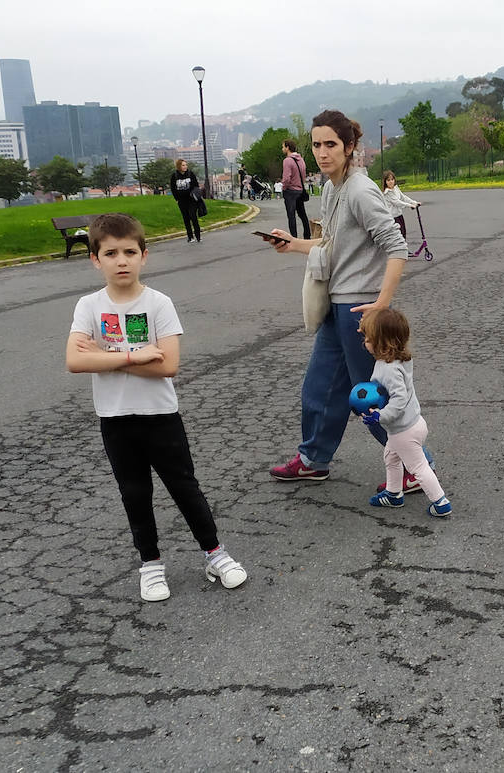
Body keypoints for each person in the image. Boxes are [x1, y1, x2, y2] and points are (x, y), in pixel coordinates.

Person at [65, 213, 248, 602]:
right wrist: (132, 356)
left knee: (185, 487)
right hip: (115, 420)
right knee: (134, 493)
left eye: (130, 251)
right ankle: (150, 564)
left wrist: (105, 353)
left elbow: (168, 365)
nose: (121, 260)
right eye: (110, 253)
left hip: (161, 417)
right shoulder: (89, 306)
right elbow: (75, 361)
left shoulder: (158, 303)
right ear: (95, 260)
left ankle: (215, 553)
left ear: (144, 256)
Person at [260, 109, 433, 494]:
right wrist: (291, 246)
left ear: (349, 146)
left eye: (331, 145)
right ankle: (313, 460)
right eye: (317, 145)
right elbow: (331, 246)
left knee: (371, 396)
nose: (323, 153)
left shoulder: (360, 190)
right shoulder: (331, 188)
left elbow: (397, 246)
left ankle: (415, 467)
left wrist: (381, 305)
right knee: (320, 388)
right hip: (336, 305)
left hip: (361, 308)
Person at [359, 308, 452, 518]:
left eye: (369, 338)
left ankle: (440, 502)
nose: (365, 341)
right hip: (413, 423)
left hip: (403, 430)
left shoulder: (387, 369)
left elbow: (399, 400)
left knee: (418, 467)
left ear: (383, 342)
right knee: (391, 457)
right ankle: (393, 494)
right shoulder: (400, 358)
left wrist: (379, 417)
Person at [281, 139, 312, 239]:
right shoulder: (301, 160)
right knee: (303, 215)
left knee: (291, 215)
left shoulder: (287, 161)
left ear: (287, 147)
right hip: (300, 190)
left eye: (283, 147)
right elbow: (303, 175)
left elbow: (286, 178)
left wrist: (284, 187)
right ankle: (307, 235)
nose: (282, 149)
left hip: (290, 191)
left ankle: (293, 237)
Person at [380, 170, 420, 241]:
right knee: (398, 235)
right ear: (385, 182)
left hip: (399, 215)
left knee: (403, 232)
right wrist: (410, 205)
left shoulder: (396, 188)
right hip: (393, 217)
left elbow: (403, 197)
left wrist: (414, 202)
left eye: (392, 179)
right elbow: (397, 202)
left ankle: (404, 249)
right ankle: (399, 250)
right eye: (388, 180)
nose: (391, 181)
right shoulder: (387, 192)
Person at [169, 159, 202, 243]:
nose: (185, 167)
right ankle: (190, 237)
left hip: (191, 199)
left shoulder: (190, 174)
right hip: (181, 201)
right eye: (183, 165)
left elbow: (196, 185)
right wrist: (176, 199)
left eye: (186, 165)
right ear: (179, 166)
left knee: (193, 216)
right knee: (186, 218)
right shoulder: (174, 176)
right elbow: (173, 188)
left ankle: (198, 236)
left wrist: (196, 195)